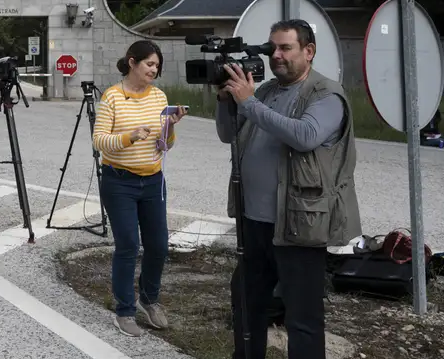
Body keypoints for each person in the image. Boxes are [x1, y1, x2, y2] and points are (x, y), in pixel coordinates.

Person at [215, 19, 362, 359]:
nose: (276, 56)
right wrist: (227, 101)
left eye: (285, 48)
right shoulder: (265, 91)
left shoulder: (326, 94)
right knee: (246, 304)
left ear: (308, 52)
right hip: (254, 222)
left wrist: (249, 102)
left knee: (302, 316)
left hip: (298, 225)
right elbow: (229, 133)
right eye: (272, 48)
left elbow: (305, 136)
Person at [92, 40, 188, 337]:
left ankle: (149, 299)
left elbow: (166, 144)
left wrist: (170, 126)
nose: (154, 70)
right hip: (119, 181)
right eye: (149, 64)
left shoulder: (159, 96)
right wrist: (128, 137)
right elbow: (99, 141)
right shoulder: (112, 97)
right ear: (132, 62)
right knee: (129, 245)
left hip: (153, 180)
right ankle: (124, 310)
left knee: (158, 244)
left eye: (157, 66)